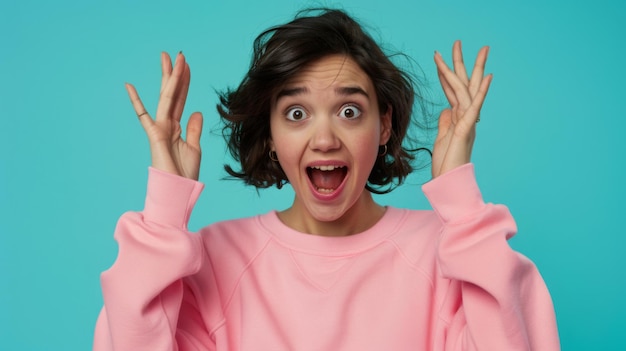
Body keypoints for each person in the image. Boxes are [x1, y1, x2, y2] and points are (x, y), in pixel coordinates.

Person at [93, 8, 560, 350]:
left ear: (385, 126)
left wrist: (461, 202)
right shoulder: (212, 262)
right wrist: (163, 218)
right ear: (271, 136)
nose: (324, 139)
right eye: (296, 113)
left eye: (350, 111)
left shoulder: (448, 255)